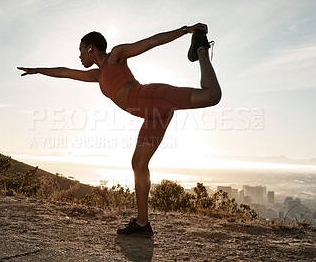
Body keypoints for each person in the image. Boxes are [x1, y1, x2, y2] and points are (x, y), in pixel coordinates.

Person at [18, 23, 221, 236]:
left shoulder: (116, 55)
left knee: (212, 95)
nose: (79, 57)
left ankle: (200, 47)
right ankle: (142, 224)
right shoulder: (98, 75)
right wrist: (38, 71)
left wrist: (186, 30)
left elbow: (151, 41)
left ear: (90, 48)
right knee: (138, 163)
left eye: (80, 50)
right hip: (152, 115)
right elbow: (66, 72)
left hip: (153, 97)